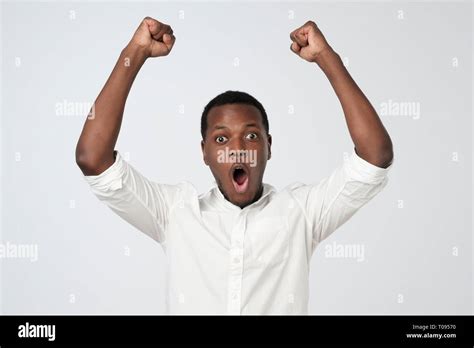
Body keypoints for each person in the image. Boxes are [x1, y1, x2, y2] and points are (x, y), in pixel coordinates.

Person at [75, 17, 394, 314]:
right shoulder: (175, 213)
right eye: (222, 139)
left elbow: (374, 157)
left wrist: (328, 58)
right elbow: (94, 159)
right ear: (204, 152)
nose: (238, 149)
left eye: (252, 136)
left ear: (269, 147)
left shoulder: (301, 212)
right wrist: (135, 53)